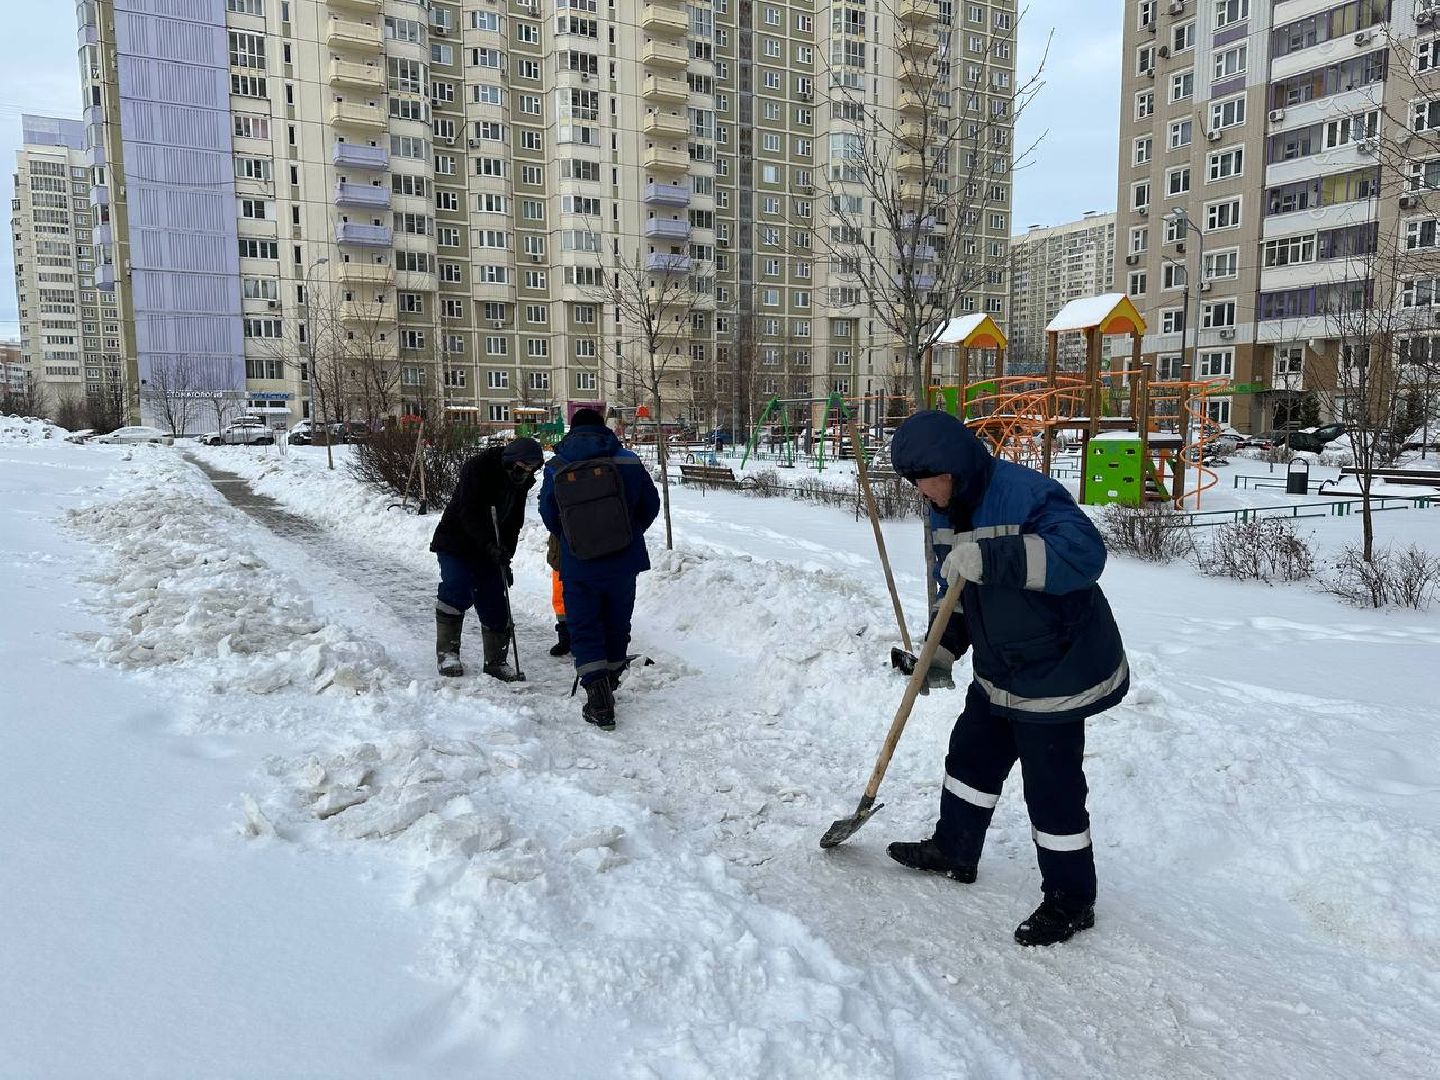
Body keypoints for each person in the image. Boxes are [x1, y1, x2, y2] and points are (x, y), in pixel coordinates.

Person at [885, 410, 1129, 947]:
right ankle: (955, 848)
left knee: (1052, 789)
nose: (923, 491)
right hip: (1001, 663)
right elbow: (951, 589)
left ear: (954, 466)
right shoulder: (941, 512)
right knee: (970, 757)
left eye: (928, 478)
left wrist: (995, 557)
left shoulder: (1028, 494)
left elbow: (1085, 556)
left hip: (1057, 666)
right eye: (915, 482)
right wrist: (942, 649)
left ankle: (1071, 899)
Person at [538, 408, 660, 730]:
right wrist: (628, 533)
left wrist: (573, 537)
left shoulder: (557, 465)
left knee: (585, 625)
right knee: (617, 622)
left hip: (579, 563)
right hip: (623, 560)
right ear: (602, 428)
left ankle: (599, 699)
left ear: (572, 430)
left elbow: (549, 514)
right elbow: (651, 504)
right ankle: (613, 679)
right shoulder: (628, 460)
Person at [429, 437, 544, 681]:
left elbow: (513, 522)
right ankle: (448, 652)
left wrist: (505, 557)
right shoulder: (479, 468)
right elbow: (469, 511)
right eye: (522, 467)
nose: (525, 473)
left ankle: (496, 661)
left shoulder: (520, 482)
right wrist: (489, 545)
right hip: (456, 541)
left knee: (494, 597)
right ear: (511, 460)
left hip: (490, 547)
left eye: (531, 469)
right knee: (457, 588)